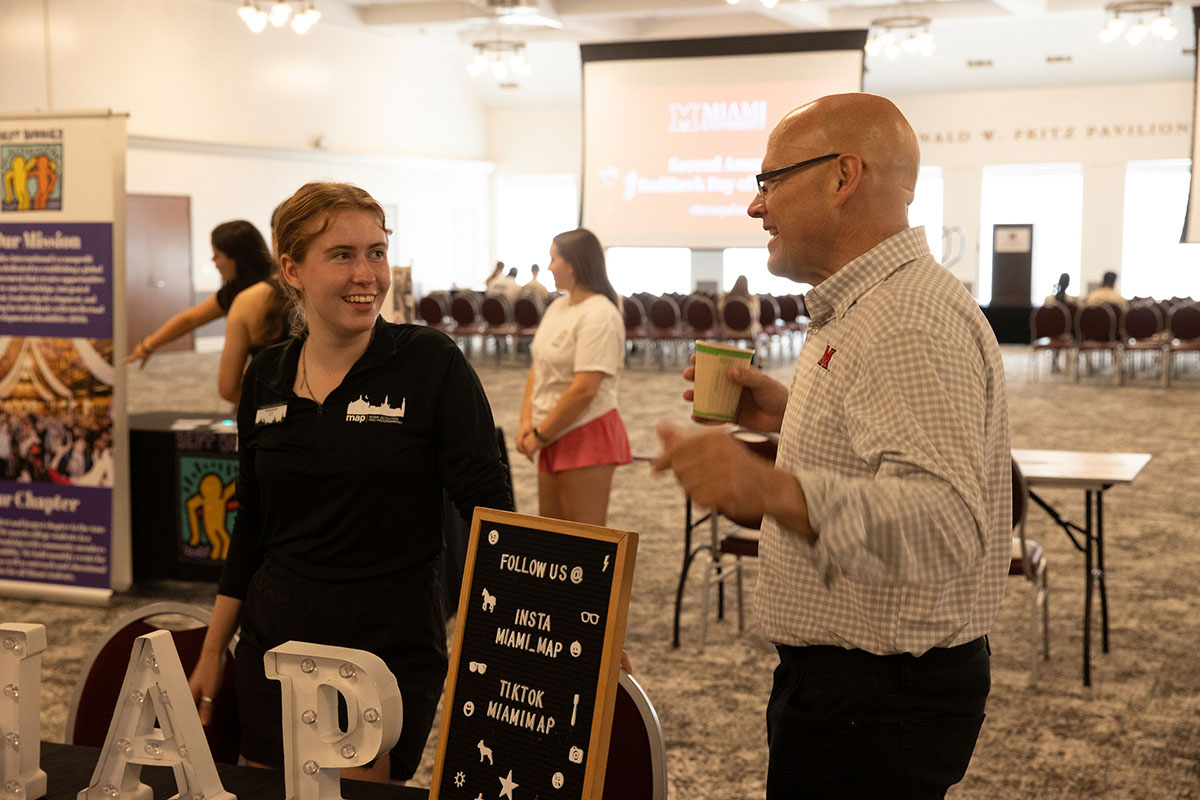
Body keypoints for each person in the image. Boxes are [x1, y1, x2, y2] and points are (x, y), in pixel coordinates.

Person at [652, 93, 1010, 799]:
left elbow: (946, 523)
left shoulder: (905, 320)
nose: (756, 208)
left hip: (879, 698)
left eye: (770, 181)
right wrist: (788, 416)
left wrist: (767, 489)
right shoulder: (872, 304)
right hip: (861, 689)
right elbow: (887, 453)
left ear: (843, 177)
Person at [187, 181, 513, 784]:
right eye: (342, 255)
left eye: (377, 252)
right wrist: (214, 652)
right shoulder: (267, 377)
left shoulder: (429, 364)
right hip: (275, 641)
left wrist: (558, 619)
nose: (368, 274)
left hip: (384, 646)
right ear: (292, 268)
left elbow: (493, 512)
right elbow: (254, 524)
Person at [515, 228, 631, 525]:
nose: (549, 266)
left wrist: (541, 434)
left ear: (573, 264)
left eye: (553, 259)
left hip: (584, 431)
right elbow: (537, 368)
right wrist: (527, 423)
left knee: (581, 546)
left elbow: (585, 390)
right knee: (552, 541)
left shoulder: (600, 314)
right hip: (551, 430)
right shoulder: (558, 306)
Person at [124, 220, 274, 367]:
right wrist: (148, 345)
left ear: (237, 257)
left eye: (217, 255)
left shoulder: (277, 290)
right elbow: (191, 319)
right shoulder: (233, 291)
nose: (213, 261)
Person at [216, 272, 290, 404]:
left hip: (271, 409)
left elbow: (228, 388)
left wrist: (256, 413)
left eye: (217, 256)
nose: (214, 261)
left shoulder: (248, 300)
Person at [717, 274, 761, 340]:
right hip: (748, 331)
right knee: (757, 325)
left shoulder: (725, 298)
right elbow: (756, 315)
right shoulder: (752, 299)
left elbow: (720, 312)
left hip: (728, 330)